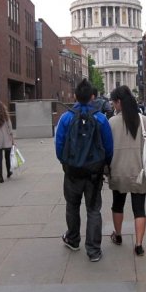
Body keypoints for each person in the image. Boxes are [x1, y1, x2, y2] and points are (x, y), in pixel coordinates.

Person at [55, 79, 113, 262]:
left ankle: (73, 239)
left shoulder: (66, 117)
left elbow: (59, 144)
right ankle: (94, 250)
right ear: (91, 97)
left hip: (72, 171)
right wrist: (106, 164)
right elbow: (109, 146)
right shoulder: (101, 118)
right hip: (94, 172)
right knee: (93, 209)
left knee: (72, 206)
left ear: (75, 96)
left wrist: (65, 162)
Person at [108, 85, 146, 256]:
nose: (113, 106)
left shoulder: (111, 123)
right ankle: (139, 244)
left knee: (117, 205)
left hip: (118, 171)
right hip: (139, 172)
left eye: (113, 103)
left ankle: (118, 235)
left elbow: (106, 149)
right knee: (139, 209)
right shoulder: (143, 121)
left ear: (119, 102)